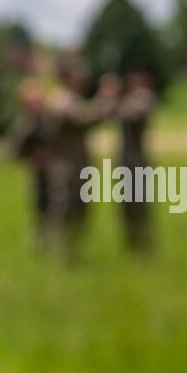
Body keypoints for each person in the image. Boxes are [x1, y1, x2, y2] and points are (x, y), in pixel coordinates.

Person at [46, 62, 120, 261]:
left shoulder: (70, 99)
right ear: (66, 77)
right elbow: (85, 119)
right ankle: (62, 255)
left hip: (76, 166)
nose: (83, 81)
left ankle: (71, 254)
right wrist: (106, 98)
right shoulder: (61, 99)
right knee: (65, 210)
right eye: (78, 77)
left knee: (79, 211)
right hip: (67, 167)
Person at [6, 78, 53, 248]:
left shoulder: (51, 121)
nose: (39, 106)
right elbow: (16, 152)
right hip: (40, 173)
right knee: (42, 208)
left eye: (40, 101)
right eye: (35, 102)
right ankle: (40, 243)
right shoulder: (26, 125)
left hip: (57, 172)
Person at [114, 69, 157, 253]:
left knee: (140, 207)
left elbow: (131, 113)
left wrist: (113, 98)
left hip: (138, 163)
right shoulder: (128, 100)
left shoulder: (144, 98)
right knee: (127, 207)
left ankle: (144, 247)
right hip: (126, 162)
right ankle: (132, 246)